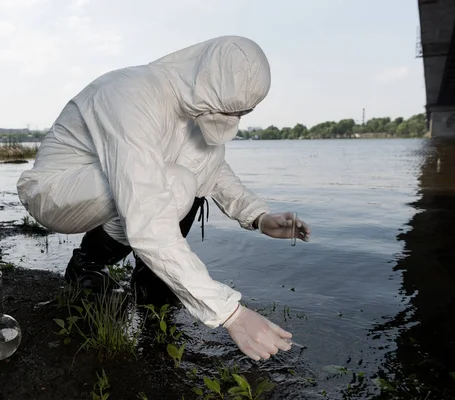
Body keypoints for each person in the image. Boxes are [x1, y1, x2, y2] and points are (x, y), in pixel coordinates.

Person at [16, 35, 311, 361]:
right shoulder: (131, 93)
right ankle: (90, 261)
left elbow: (214, 168)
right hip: (54, 192)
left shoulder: (192, 107)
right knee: (173, 183)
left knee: (182, 178)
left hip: (110, 187)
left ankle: (151, 280)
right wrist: (231, 314)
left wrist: (259, 216)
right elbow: (147, 213)